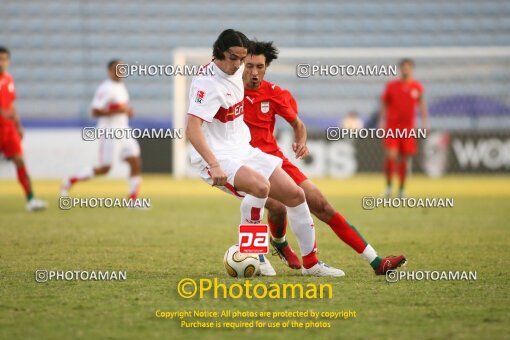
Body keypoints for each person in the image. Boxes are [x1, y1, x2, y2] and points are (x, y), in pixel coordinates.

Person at [185, 29, 344, 277]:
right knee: (261, 187)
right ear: (218, 53)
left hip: (243, 149)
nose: (238, 65)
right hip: (218, 157)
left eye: (242, 59)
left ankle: (311, 265)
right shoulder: (208, 85)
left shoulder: (237, 70)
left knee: (295, 194)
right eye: (233, 58)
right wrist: (214, 164)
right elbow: (192, 128)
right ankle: (253, 254)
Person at [243, 40, 406, 275]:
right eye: (249, 66)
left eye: (259, 66)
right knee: (275, 206)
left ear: (267, 66)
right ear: (241, 65)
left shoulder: (276, 94)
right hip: (242, 163)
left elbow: (298, 125)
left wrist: (301, 140)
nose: (254, 72)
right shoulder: (230, 91)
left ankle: (376, 261)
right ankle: (264, 252)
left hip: (273, 160)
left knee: (320, 203)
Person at [61, 60, 142, 200]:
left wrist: (126, 111)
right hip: (109, 131)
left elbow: (120, 108)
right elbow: (95, 112)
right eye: (117, 68)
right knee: (105, 168)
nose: (121, 71)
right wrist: (117, 111)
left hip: (123, 129)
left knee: (135, 161)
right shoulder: (106, 88)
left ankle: (132, 199)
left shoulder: (121, 86)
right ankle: (69, 181)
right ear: (110, 71)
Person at [0, 46, 47, 211]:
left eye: (4, 59)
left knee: (20, 160)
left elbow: (11, 104)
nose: (2, 63)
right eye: (0, 59)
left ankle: (31, 199)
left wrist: (18, 125)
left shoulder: (9, 79)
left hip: (8, 129)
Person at [379, 58, 429, 198]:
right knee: (391, 155)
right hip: (393, 126)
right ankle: (389, 187)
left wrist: (425, 122)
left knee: (404, 159)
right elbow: (384, 104)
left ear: (411, 69)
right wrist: (381, 121)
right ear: (400, 69)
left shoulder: (417, 87)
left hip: (408, 128)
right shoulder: (392, 86)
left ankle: (401, 189)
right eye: (403, 67)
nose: (406, 70)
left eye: (408, 67)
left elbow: (422, 105)